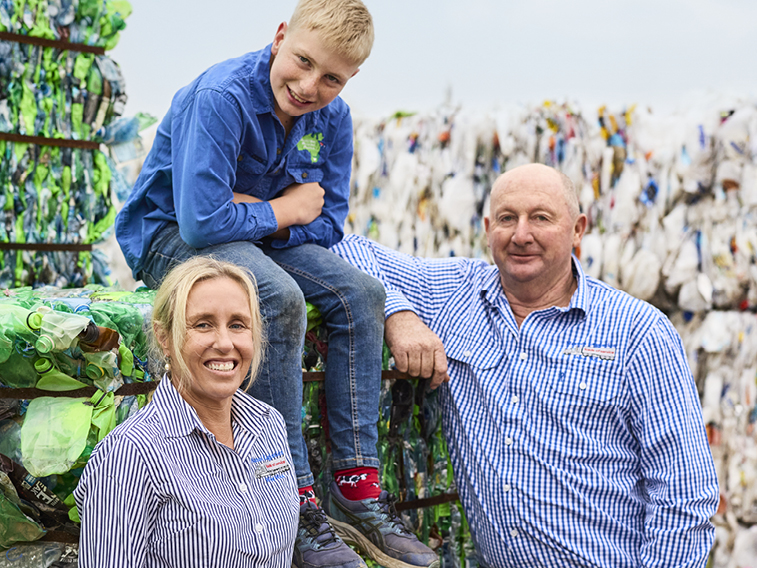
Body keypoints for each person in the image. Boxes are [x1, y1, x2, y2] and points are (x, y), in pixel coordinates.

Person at [114, 1, 438, 567]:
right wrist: (283, 207)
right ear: (280, 35)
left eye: (332, 78)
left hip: (259, 239)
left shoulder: (333, 119)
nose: (310, 86)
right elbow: (199, 223)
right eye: (303, 62)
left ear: (350, 78)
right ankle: (293, 497)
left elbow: (330, 220)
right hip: (169, 237)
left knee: (362, 294)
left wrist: (260, 211)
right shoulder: (222, 97)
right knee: (277, 297)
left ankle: (357, 485)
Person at [332, 163, 720, 568]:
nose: (521, 235)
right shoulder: (452, 294)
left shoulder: (638, 332)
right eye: (506, 219)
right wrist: (397, 314)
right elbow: (341, 245)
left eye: (541, 218)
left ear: (578, 229)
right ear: (487, 229)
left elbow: (685, 493)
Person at [74, 257, 299, 567]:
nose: (224, 343)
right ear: (164, 337)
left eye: (237, 325)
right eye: (203, 324)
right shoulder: (131, 454)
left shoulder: (268, 426)